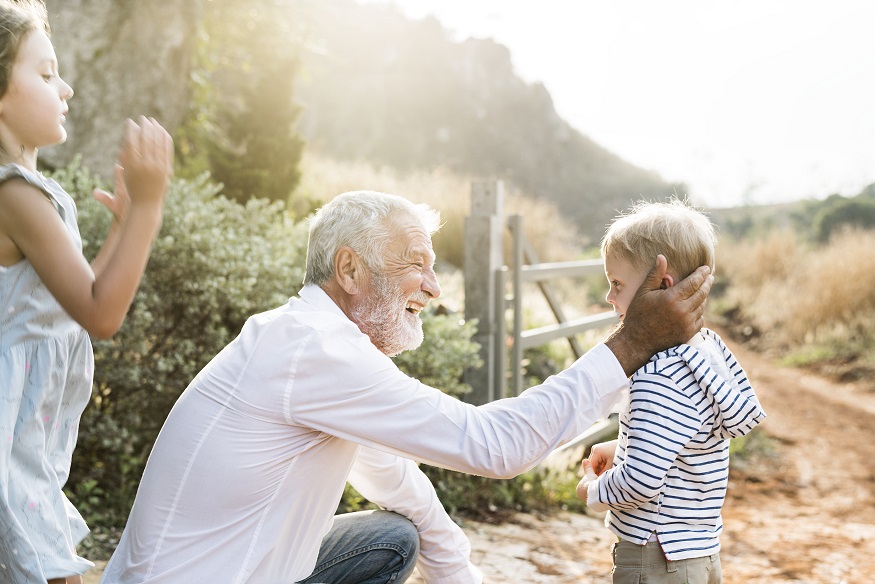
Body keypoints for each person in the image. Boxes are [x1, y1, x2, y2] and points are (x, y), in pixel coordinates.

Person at [100, 190, 713, 584]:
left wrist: (460, 576)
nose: (435, 286)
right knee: (392, 540)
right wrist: (631, 346)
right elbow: (492, 445)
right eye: (416, 262)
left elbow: (393, 480)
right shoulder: (313, 351)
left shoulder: (311, 343)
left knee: (394, 535)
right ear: (350, 269)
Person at [0, 1, 174, 582]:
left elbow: (73, 300)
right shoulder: (14, 196)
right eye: (46, 74)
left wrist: (122, 230)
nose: (66, 88)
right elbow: (102, 313)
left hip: (25, 437)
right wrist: (148, 208)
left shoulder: (26, 192)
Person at [576, 199, 766, 584]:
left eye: (616, 284)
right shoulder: (707, 354)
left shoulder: (658, 372)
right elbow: (690, 440)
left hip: (655, 556)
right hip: (700, 552)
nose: (610, 298)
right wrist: (625, 447)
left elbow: (642, 481)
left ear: (662, 285)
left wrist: (592, 491)